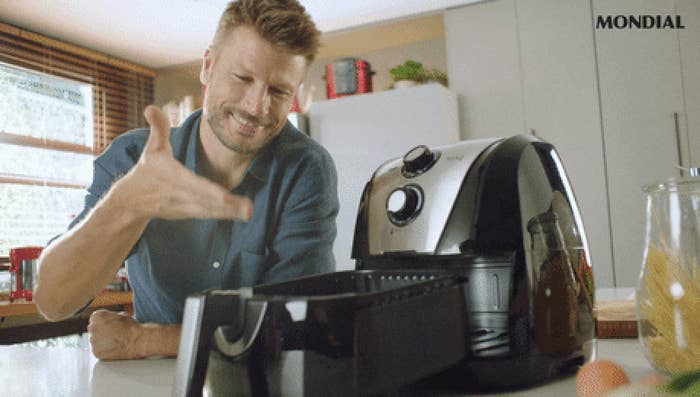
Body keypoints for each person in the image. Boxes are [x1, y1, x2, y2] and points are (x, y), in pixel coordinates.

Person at [34, 0, 338, 360]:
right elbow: (53, 301)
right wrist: (125, 205)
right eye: (243, 78)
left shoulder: (307, 168)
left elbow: (296, 326)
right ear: (208, 66)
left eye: (278, 92)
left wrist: (144, 341)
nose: (257, 107)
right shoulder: (134, 158)